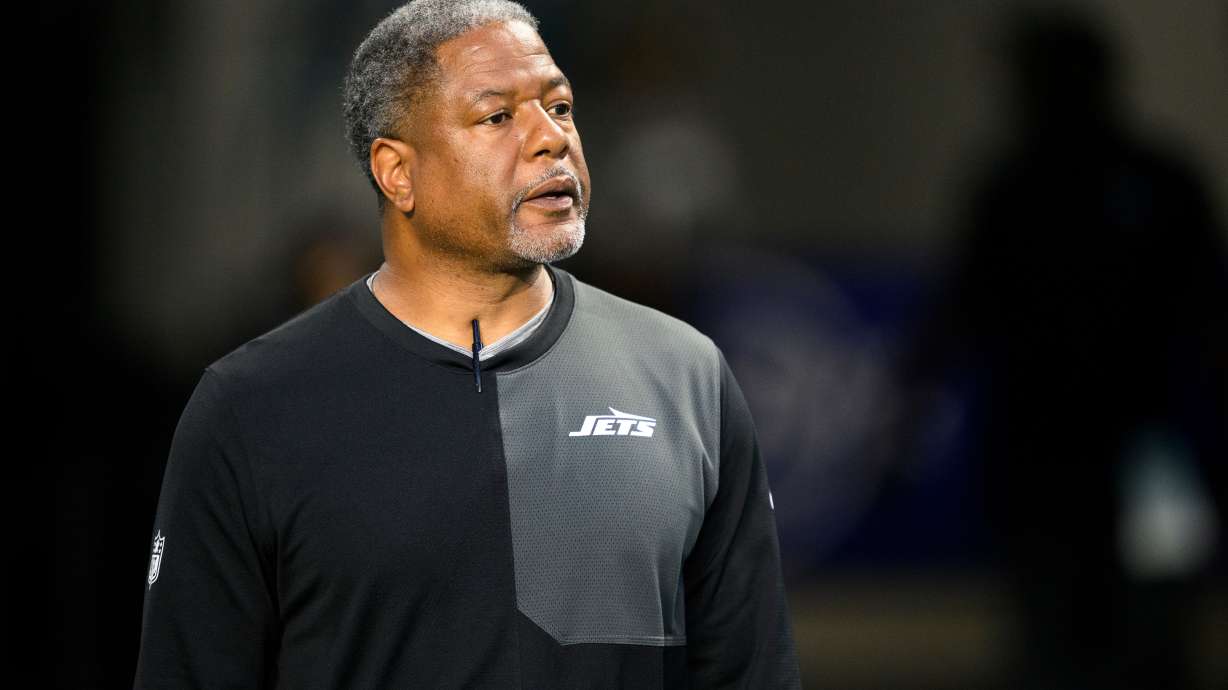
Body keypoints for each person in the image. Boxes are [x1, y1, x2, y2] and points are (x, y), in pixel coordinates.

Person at [131, 1, 802, 688]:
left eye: (560, 107)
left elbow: (752, 671)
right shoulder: (251, 407)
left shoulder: (686, 378)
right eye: (498, 116)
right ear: (397, 172)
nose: (551, 138)